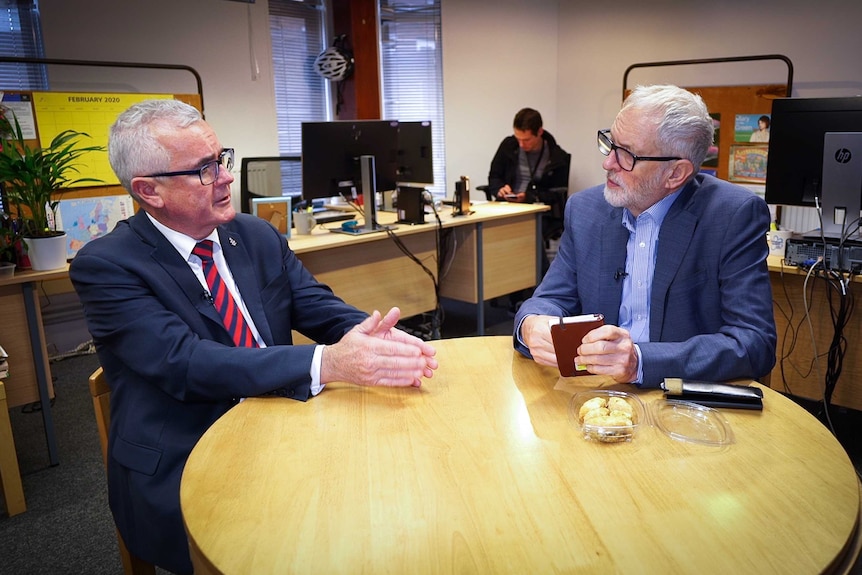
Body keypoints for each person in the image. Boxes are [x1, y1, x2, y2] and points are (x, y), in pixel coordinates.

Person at [69, 99, 438, 574]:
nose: (226, 177)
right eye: (204, 169)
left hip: (284, 422)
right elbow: (186, 362)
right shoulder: (107, 266)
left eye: (221, 158)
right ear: (149, 191)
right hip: (187, 453)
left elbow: (316, 305)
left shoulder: (256, 234)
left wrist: (378, 338)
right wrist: (327, 363)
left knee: (395, 498)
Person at [514, 85, 776, 387]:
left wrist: (640, 361)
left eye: (626, 154)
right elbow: (550, 299)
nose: (608, 163)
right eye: (610, 144)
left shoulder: (732, 215)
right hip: (597, 397)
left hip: (684, 403)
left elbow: (754, 342)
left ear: (676, 174)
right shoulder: (586, 210)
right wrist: (532, 326)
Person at [487, 107, 569, 204]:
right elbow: (494, 177)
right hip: (507, 205)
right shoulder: (508, 146)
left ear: (539, 132)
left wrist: (530, 197)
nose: (521, 144)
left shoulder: (556, 157)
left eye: (526, 140)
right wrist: (499, 189)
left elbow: (557, 193)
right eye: (518, 139)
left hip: (537, 208)